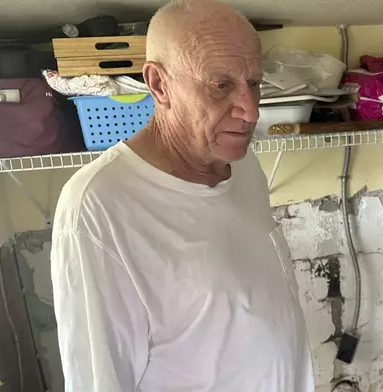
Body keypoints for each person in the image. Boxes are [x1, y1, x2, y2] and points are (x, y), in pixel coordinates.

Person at [50, 0, 314, 391]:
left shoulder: (242, 165)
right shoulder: (98, 206)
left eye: (254, 83)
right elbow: (97, 380)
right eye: (221, 85)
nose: (251, 110)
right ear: (159, 84)